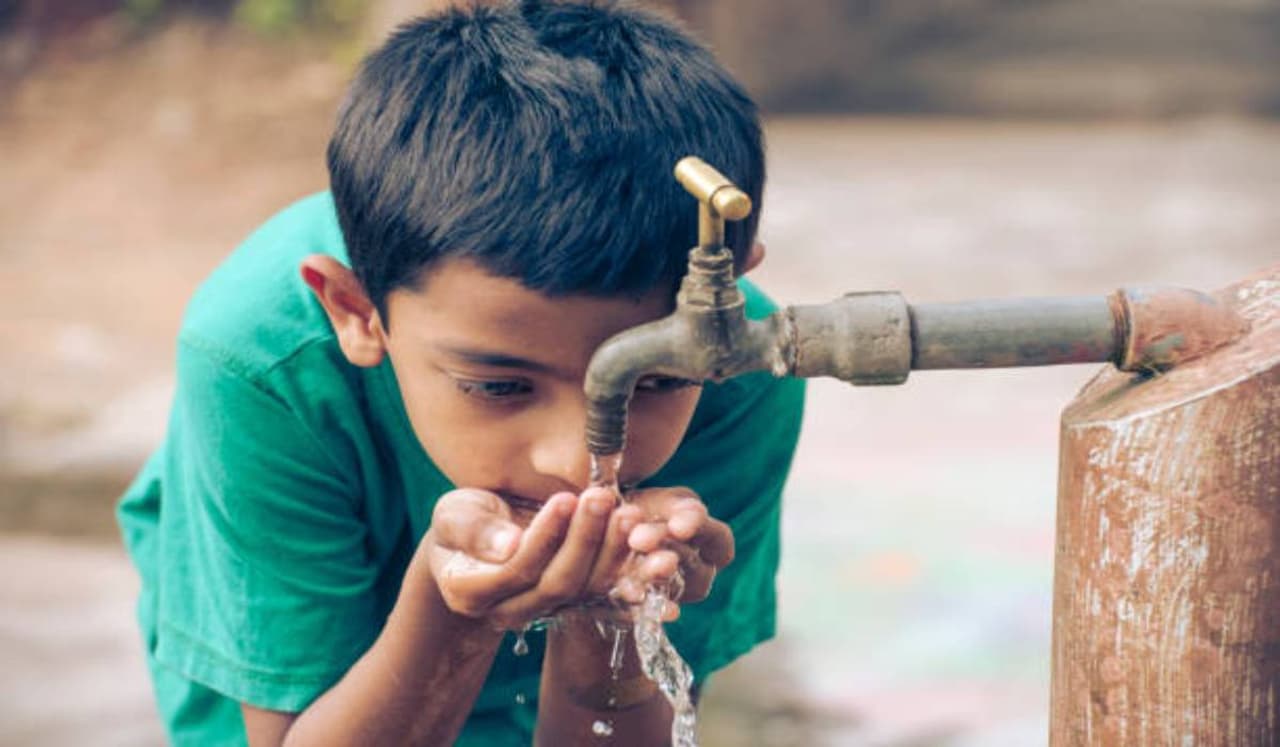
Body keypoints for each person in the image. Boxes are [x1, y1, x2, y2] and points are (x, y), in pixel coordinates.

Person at [116, 1, 804, 744]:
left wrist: (610, 625)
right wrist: (453, 611)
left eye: (654, 380)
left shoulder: (738, 367)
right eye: (499, 386)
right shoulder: (264, 362)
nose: (578, 462)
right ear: (355, 311)